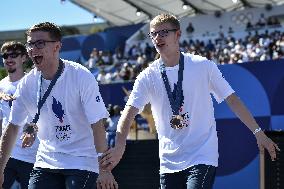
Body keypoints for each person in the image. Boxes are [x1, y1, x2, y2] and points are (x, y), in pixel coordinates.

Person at [100, 13, 280, 189]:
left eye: (164, 32)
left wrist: (259, 133)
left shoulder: (203, 66)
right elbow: (128, 114)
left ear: (178, 34)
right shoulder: (147, 76)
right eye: (153, 34)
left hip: (202, 155)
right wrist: (119, 146)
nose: (157, 38)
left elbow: (232, 100)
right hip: (169, 161)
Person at [0, 22, 117, 189]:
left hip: (82, 160)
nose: (33, 49)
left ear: (57, 46)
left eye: (40, 43)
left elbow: (97, 125)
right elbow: (12, 127)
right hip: (46, 161)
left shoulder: (80, 76)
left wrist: (104, 169)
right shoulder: (27, 84)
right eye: (30, 44)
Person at [0, 41, 39, 189]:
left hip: (31, 156)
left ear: (24, 58)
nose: (9, 59)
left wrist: (32, 130)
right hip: (7, 156)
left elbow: (42, 115)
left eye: (14, 55)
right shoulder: (1, 85)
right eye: (5, 55)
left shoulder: (33, 83)